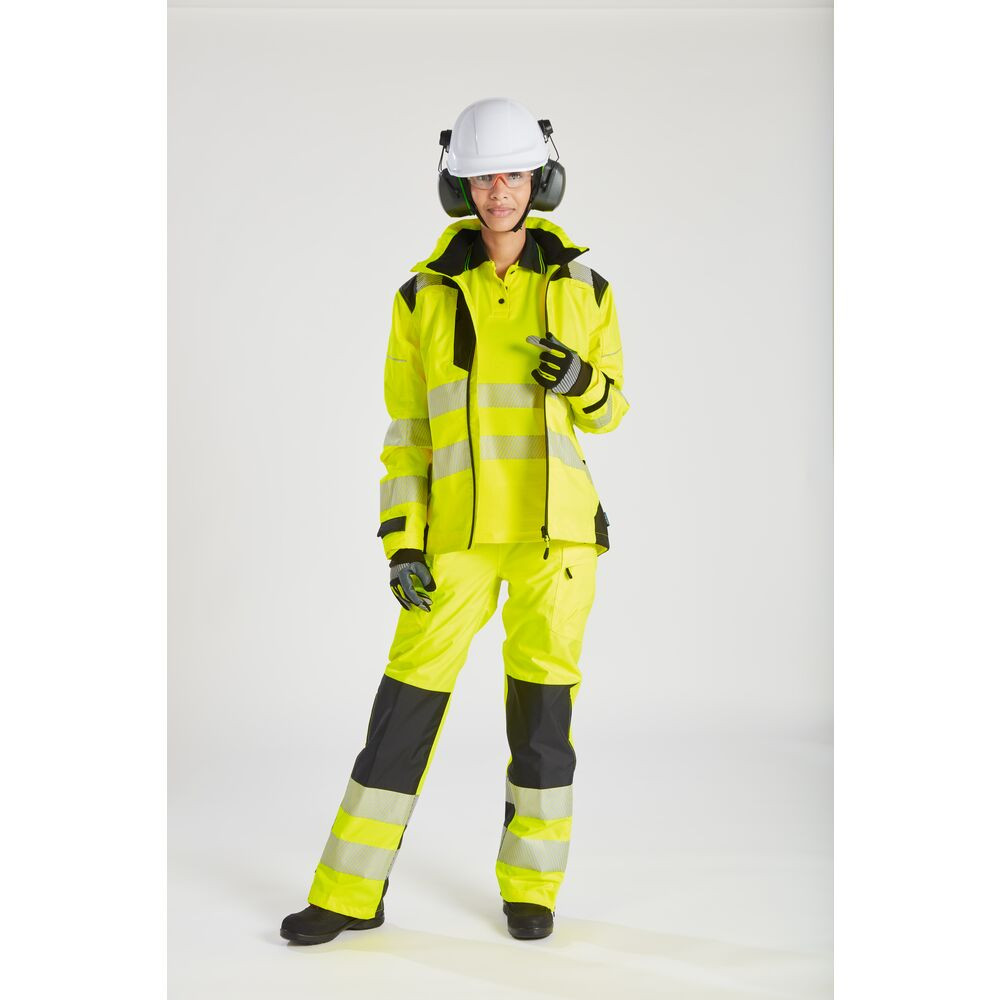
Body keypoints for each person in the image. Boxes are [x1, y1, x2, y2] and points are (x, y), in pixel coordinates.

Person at [280, 97, 629, 945]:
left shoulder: (587, 288)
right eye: (481, 178)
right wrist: (403, 542)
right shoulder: (421, 297)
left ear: (540, 179)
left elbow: (611, 410)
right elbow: (408, 434)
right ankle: (348, 893)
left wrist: (580, 380)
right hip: (457, 542)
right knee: (405, 708)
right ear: (459, 187)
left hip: (557, 540)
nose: (498, 192)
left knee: (543, 723)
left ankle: (532, 889)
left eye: (512, 175)